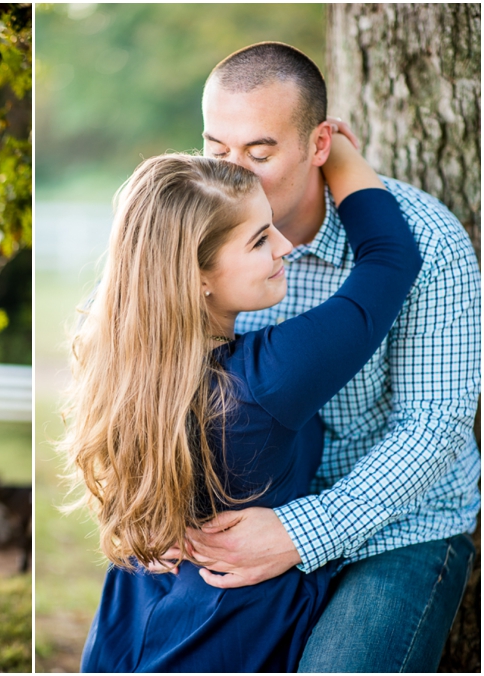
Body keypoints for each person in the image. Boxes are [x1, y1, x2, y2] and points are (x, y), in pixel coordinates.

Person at [67, 124, 420, 670]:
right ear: (196, 276)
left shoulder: (115, 360)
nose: (285, 247)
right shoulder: (269, 376)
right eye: (259, 239)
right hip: (229, 627)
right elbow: (391, 258)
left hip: (134, 610)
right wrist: (340, 152)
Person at [176, 42, 478, 672]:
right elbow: (116, 370)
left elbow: (434, 426)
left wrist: (299, 532)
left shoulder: (426, 240)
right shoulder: (183, 235)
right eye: (216, 150)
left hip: (396, 527)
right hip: (233, 521)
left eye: (260, 154)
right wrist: (142, 504)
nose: (234, 174)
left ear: (319, 145)